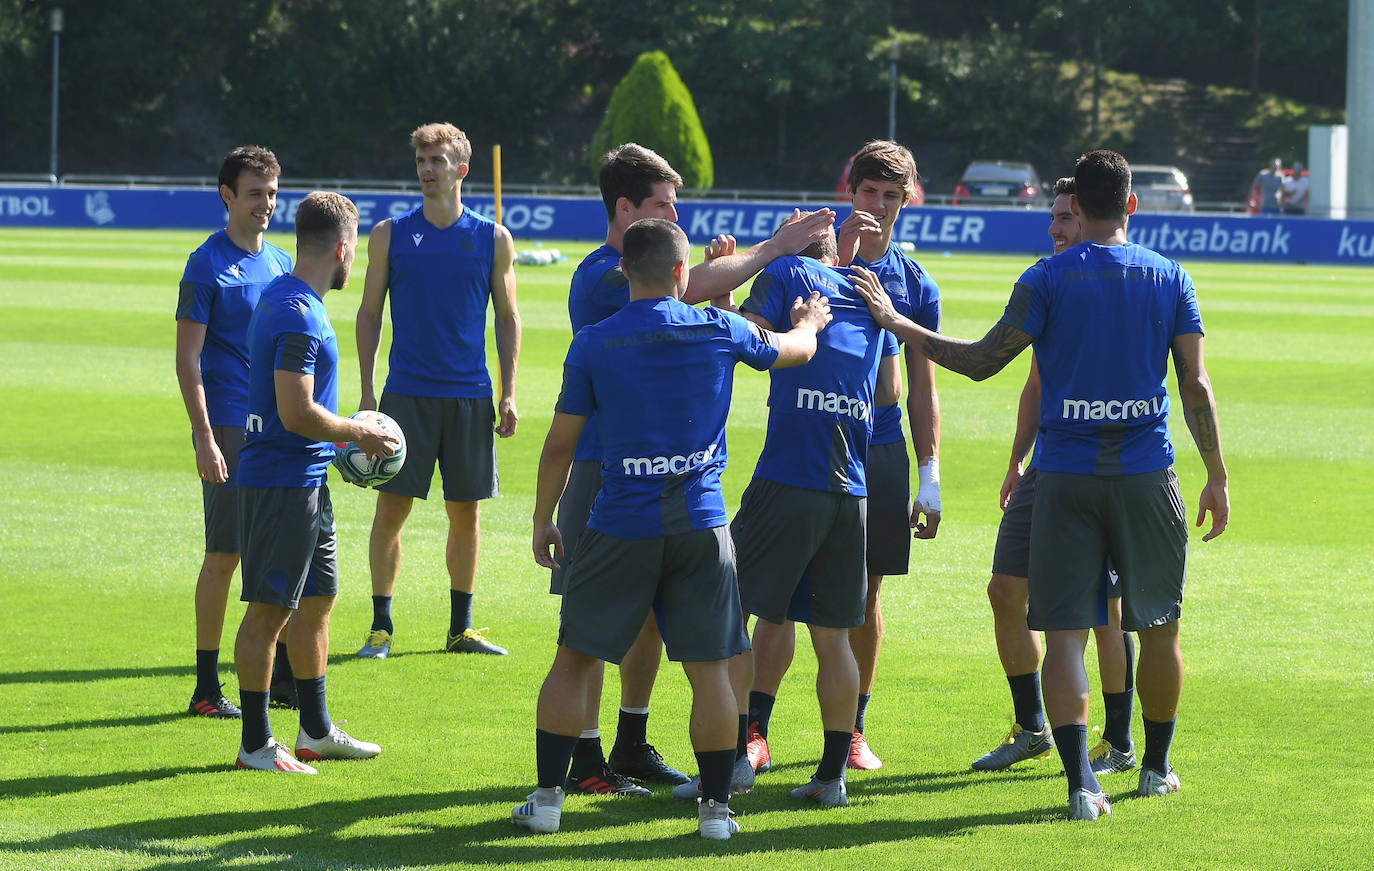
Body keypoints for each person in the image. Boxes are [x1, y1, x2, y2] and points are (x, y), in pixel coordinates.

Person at [851, 150, 1229, 821]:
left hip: (1066, 477)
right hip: (1148, 473)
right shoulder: (1173, 277)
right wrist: (1218, 475)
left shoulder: (1047, 279)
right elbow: (1196, 385)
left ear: (1077, 208)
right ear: (1133, 204)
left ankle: (1081, 782)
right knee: (1161, 628)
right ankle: (1156, 767)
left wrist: (897, 322)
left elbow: (978, 361)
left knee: (1062, 635)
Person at [514, 218, 832, 838]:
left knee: (575, 658)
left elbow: (559, 445)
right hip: (700, 527)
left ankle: (548, 802)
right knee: (711, 669)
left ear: (624, 272)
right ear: (683, 273)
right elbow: (795, 352)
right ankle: (715, 813)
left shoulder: (595, 342)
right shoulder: (717, 327)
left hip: (617, 524)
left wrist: (543, 517)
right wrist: (810, 322)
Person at [745, 140, 940, 774]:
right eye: (868, 193)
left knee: (861, 599)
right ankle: (756, 730)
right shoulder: (808, 269)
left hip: (876, 455)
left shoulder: (914, 283)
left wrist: (929, 473)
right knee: (776, 600)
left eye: (891, 195)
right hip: (807, 448)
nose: (878, 206)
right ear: (850, 192)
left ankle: (851, 731)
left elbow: (919, 385)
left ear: (908, 200)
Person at [710, 223, 897, 809]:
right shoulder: (869, 298)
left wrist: (729, 291)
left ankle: (736, 759)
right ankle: (831, 776)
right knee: (834, 637)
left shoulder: (789, 273)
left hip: (789, 480)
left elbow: (749, 341)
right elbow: (890, 392)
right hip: (852, 490)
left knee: (729, 609)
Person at [972, 178, 1137, 776]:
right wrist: (1017, 460)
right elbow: (1035, 383)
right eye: (1053, 219)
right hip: (1047, 467)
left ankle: (1117, 742)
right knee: (1005, 591)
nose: (1056, 229)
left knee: (1107, 612)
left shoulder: (1120, 286)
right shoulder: (1048, 284)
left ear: (1093, 218)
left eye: (1066, 218)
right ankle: (1031, 726)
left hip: (1106, 471)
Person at [232, 191, 397, 772]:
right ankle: (255, 744)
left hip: (304, 478)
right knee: (267, 615)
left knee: (319, 601)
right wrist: (357, 434)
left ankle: (315, 729)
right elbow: (296, 412)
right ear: (343, 249)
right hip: (282, 482)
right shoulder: (299, 313)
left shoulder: (287, 294)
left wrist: (341, 443)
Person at [355, 122, 521, 659]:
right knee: (391, 510)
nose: (427, 168)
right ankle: (381, 628)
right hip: (405, 395)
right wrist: (365, 392)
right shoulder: (390, 234)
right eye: (422, 159)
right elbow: (368, 313)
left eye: (438, 160)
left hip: (470, 394)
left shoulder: (492, 238)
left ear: (460, 170)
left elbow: (509, 318)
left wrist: (509, 392)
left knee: (465, 513)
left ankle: (461, 629)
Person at [175, 145, 295, 718]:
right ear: (227, 195)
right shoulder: (206, 264)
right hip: (226, 422)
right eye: (255, 193)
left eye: (272, 193)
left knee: (277, 546)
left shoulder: (278, 262)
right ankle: (205, 686)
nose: (266, 204)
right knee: (224, 554)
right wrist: (203, 435)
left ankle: (288, 677)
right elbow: (187, 359)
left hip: (275, 424)